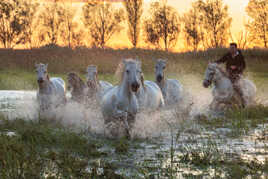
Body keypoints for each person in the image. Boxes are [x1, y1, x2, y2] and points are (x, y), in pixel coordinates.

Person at [215, 43, 246, 107]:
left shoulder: (240, 56)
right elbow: (221, 60)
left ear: (236, 48)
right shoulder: (228, 55)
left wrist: (236, 67)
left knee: (236, 86)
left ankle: (243, 101)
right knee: (219, 78)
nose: (231, 49)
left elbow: (243, 66)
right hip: (228, 73)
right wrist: (214, 63)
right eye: (230, 48)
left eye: (232, 48)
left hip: (237, 74)